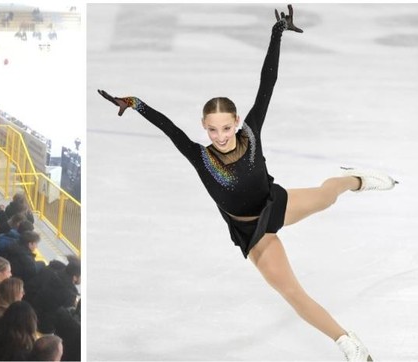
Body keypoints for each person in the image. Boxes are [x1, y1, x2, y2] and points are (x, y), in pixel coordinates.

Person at [97, 5, 394, 361]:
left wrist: (277, 33)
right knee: (293, 293)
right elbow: (165, 125)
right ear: (204, 127)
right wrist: (132, 102)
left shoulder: (251, 134)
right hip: (254, 233)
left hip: (275, 202)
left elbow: (267, 83)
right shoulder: (200, 156)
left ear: (236, 121)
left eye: (225, 127)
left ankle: (355, 179)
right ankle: (347, 342)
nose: (220, 135)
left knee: (328, 196)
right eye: (212, 129)